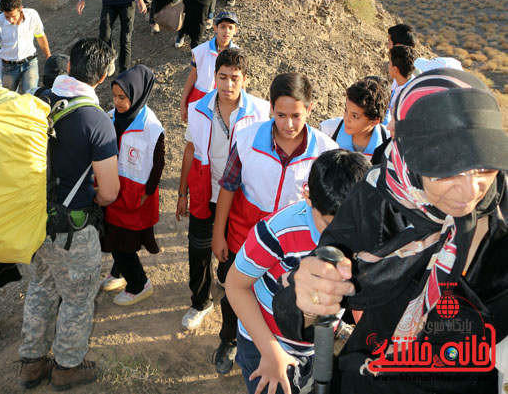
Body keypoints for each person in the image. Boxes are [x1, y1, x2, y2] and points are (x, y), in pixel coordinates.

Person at [272, 68, 508, 394]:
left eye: (482, 164)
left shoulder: (502, 208)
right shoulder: (377, 202)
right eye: (445, 168)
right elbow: (302, 295)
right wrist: (310, 297)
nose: (470, 189)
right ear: (410, 154)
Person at [210, 72, 339, 375]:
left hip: (295, 246)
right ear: (270, 108)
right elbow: (228, 185)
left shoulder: (326, 152)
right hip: (244, 236)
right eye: (281, 115)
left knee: (284, 299)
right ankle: (230, 339)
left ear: (310, 108)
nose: (288, 124)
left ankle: (280, 347)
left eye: (296, 115)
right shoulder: (246, 137)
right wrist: (219, 233)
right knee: (235, 291)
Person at [18, 38, 119, 390]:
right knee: (77, 296)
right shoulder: (96, 120)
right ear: (103, 76)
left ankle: (31, 363)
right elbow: (108, 192)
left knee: (41, 285)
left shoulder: (35, 101)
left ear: (70, 66)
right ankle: (66, 367)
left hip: (31, 222)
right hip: (71, 229)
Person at [226, 150, 370, 394]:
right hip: (265, 343)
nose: (340, 235)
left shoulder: (366, 232)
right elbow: (235, 286)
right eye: (328, 223)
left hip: (319, 345)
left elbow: (359, 293)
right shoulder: (277, 231)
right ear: (308, 197)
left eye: (350, 225)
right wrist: (271, 353)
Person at [176, 48, 270, 332]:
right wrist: (182, 193)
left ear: (245, 80)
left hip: (241, 198)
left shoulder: (261, 112)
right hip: (206, 193)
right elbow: (190, 150)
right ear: (214, 77)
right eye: (223, 77)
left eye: (235, 78)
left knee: (235, 251)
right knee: (198, 249)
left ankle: (226, 285)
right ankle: (200, 301)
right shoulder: (198, 109)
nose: (228, 85)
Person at [100, 65, 165, 305]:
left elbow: (159, 164)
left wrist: (147, 193)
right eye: (114, 96)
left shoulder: (152, 127)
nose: (116, 102)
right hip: (112, 191)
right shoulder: (109, 117)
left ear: (137, 95)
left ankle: (139, 284)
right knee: (114, 235)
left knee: (123, 244)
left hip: (135, 196)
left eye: (122, 97)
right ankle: (119, 273)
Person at [179, 10, 239, 122]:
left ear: (235, 30)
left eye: (230, 28)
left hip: (226, 101)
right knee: (195, 136)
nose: (226, 31)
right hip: (200, 99)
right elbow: (192, 77)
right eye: (223, 27)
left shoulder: (238, 55)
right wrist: (183, 104)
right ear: (215, 28)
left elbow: (241, 83)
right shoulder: (200, 51)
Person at [0, 0, 50, 93]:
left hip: (30, 63)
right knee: (9, 99)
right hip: (8, 67)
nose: (11, 20)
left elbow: (40, 36)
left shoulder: (32, 15)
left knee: (29, 96)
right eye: (7, 17)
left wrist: (48, 57)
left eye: (13, 16)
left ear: (21, 9)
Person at [320, 77, 390, 158]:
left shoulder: (389, 142)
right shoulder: (327, 132)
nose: (346, 119)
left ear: (375, 120)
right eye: (346, 110)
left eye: (355, 116)